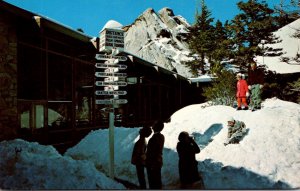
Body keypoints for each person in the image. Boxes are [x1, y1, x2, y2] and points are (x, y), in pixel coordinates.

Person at [146, 120, 165, 189]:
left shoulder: (153, 139)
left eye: (154, 125)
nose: (152, 126)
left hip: (152, 163)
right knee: (157, 181)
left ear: (155, 127)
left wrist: (149, 163)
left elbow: (151, 152)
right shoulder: (161, 136)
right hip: (157, 162)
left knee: (153, 182)